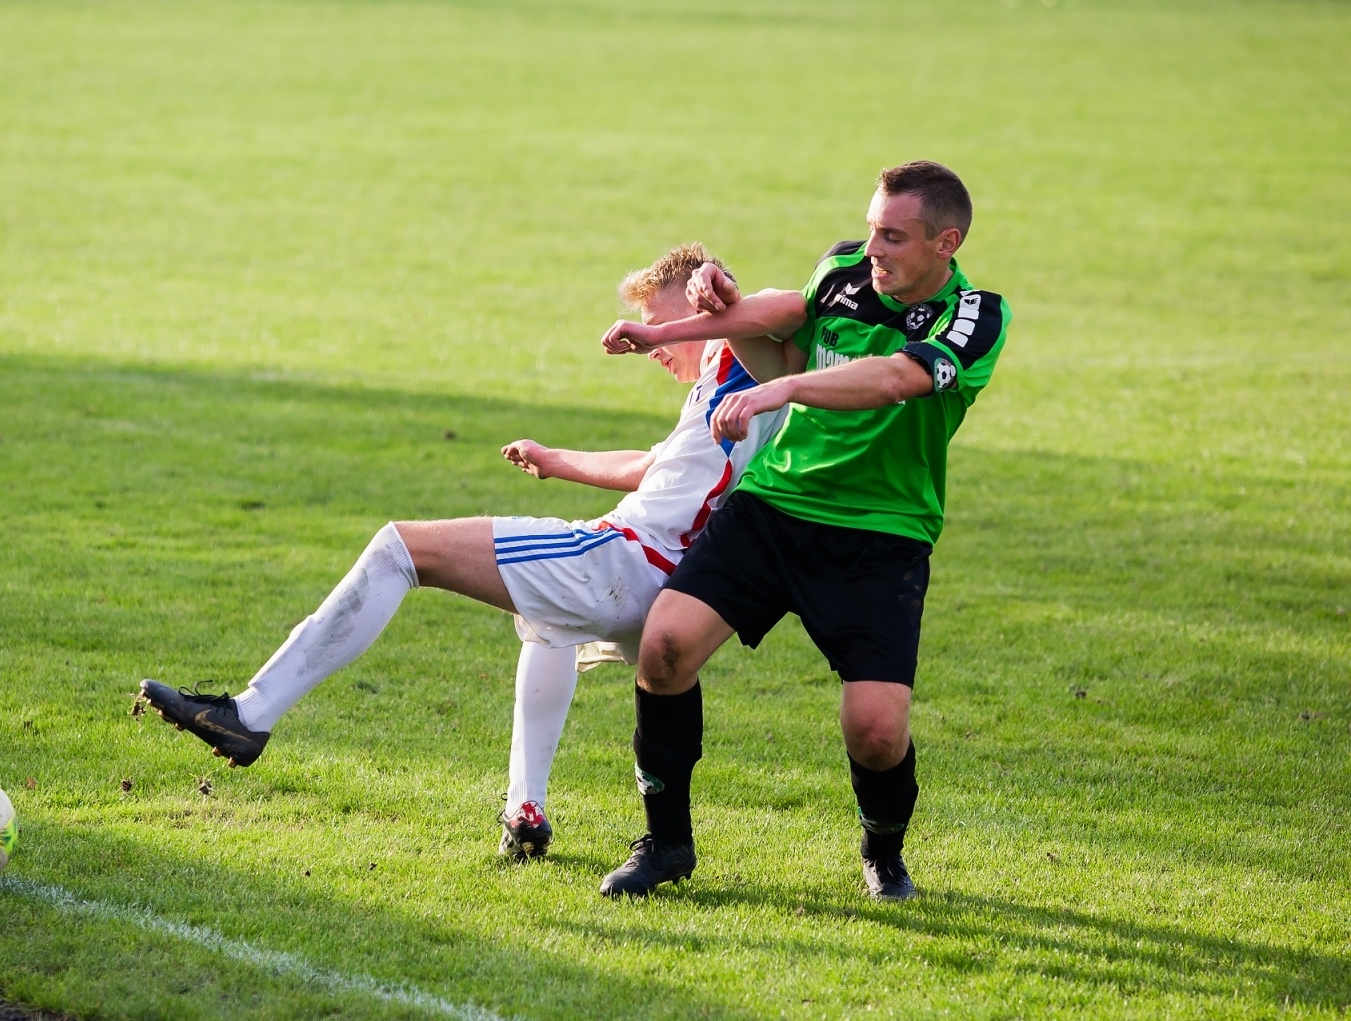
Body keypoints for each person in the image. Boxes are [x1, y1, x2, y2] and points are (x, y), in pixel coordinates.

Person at [136, 244, 786, 859]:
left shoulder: (749, 357)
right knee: (548, 627)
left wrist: (720, 286)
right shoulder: (718, 382)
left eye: (658, 323)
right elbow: (651, 466)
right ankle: (524, 810)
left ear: (700, 307)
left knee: (400, 548)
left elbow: (778, 309)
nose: (650, 344)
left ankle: (250, 714)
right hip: (661, 580)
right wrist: (556, 461)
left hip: (626, 560)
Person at [596, 161, 1011, 900]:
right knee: (664, 646)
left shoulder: (976, 315)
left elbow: (892, 380)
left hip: (881, 536)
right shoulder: (843, 271)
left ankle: (882, 851)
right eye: (873, 227)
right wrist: (710, 315)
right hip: (775, 508)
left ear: (945, 243)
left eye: (893, 236)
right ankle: (665, 843)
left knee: (877, 733)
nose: (873, 247)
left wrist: (777, 391)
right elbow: (781, 353)